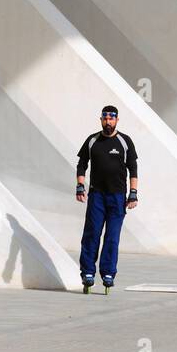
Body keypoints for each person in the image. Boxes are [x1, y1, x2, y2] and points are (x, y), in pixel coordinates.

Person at [76, 105, 138, 292]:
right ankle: (87, 272)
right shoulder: (93, 140)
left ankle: (108, 273)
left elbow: (133, 169)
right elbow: (82, 164)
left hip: (118, 198)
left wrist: (133, 193)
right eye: (105, 118)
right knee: (92, 234)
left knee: (112, 237)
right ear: (101, 119)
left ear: (117, 120)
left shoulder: (124, 141)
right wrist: (80, 185)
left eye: (111, 119)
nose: (108, 122)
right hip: (97, 196)